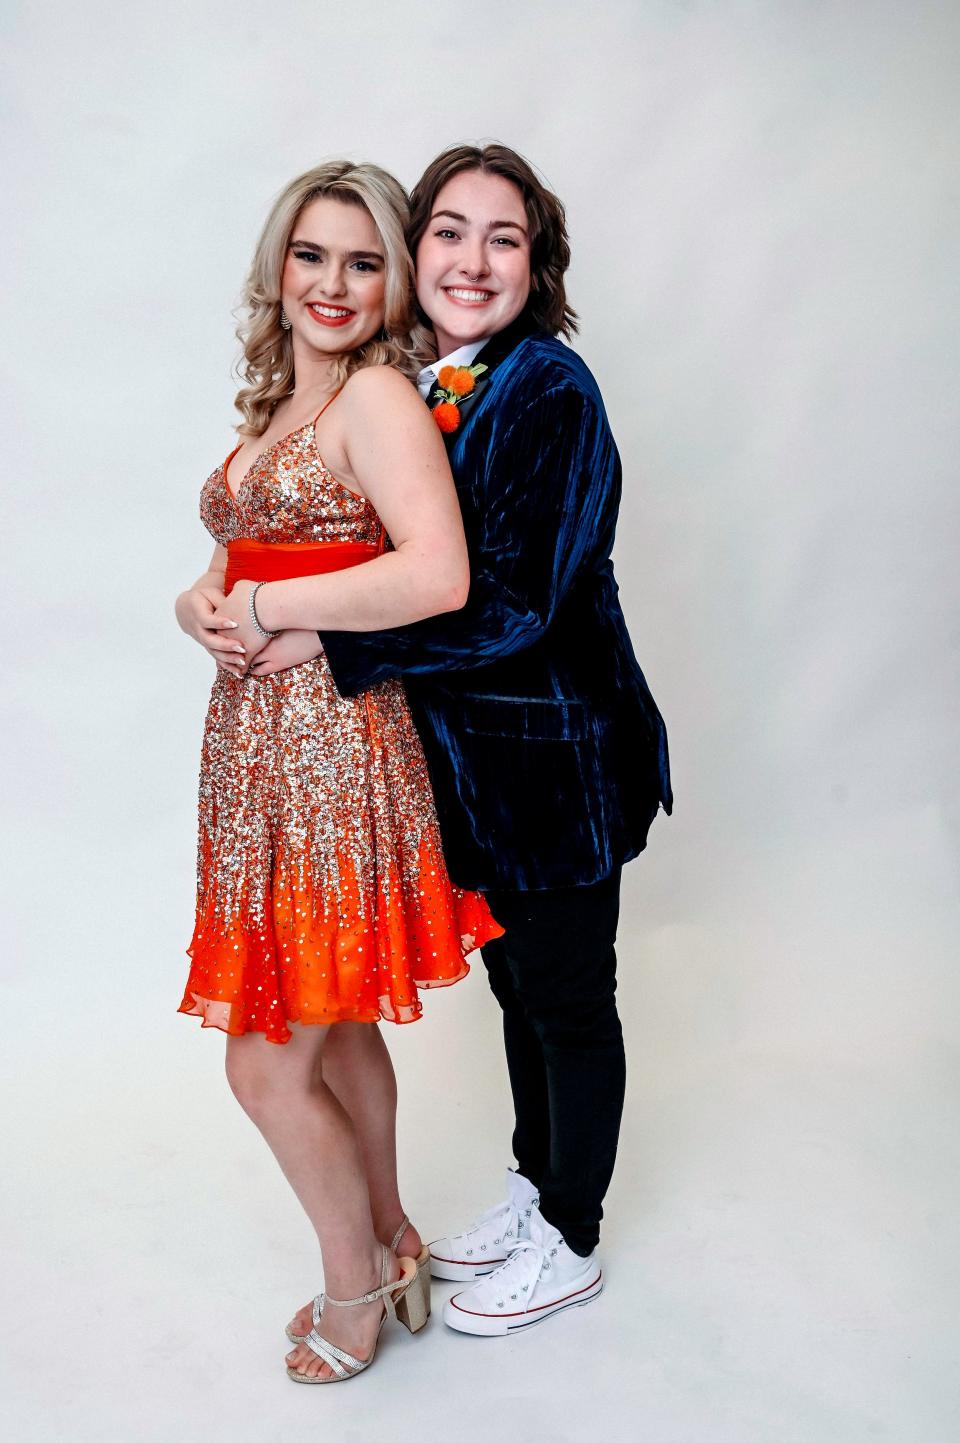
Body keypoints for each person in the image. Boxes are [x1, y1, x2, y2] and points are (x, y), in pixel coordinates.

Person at [274, 143, 673, 1337]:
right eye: (449, 230)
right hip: (482, 779)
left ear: (536, 264)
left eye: (504, 238)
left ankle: (573, 1237)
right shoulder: (442, 382)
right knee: (515, 988)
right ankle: (532, 1189)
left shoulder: (547, 387)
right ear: (418, 250)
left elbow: (511, 605)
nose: (471, 258)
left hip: (564, 771)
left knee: (566, 997)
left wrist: (334, 646)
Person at [174, 159, 501, 1383]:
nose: (333, 282)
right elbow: (240, 565)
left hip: (333, 755)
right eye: (312, 254)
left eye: (364, 261)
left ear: (396, 281)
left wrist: (259, 599)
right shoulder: (277, 410)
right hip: (256, 759)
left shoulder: (375, 396)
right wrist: (196, 602)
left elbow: (435, 577)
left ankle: (352, 1280)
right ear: (279, 264)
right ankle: (397, 1233)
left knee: (264, 1057)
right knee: (343, 1027)